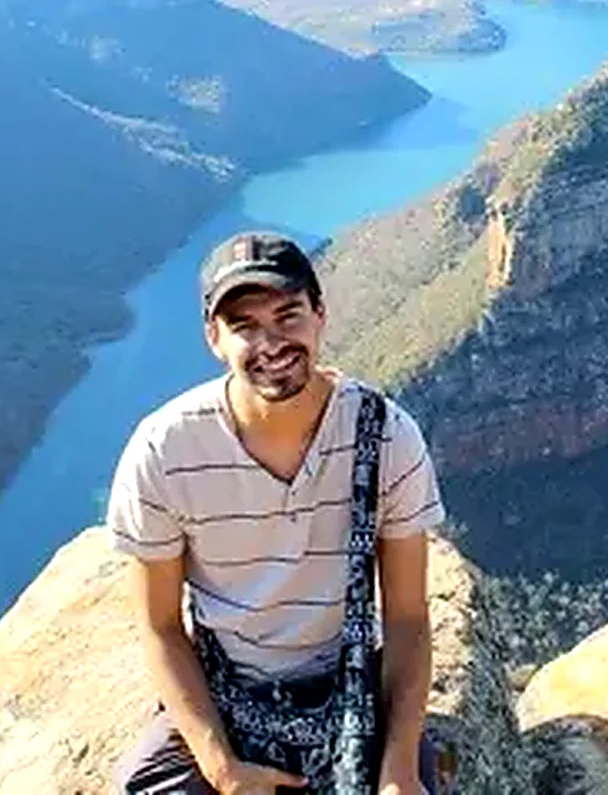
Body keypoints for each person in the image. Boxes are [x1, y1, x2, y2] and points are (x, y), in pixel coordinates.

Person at [108, 231, 446, 795]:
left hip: (353, 692)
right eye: (244, 326)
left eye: (288, 315)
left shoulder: (386, 436)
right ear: (214, 338)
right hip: (229, 693)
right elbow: (160, 626)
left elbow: (408, 619)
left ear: (320, 315)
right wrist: (223, 770)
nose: (271, 343)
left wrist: (400, 768)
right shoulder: (165, 452)